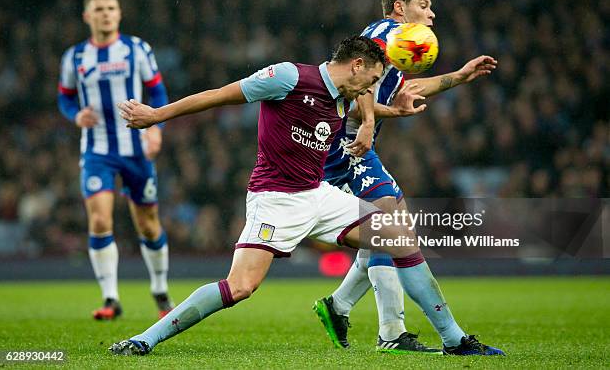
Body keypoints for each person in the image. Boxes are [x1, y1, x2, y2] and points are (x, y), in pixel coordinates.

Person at [109, 35, 502, 357]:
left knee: (398, 238)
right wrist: (157, 115)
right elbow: (220, 94)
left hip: (319, 195)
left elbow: (368, 105)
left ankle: (454, 341)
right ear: (357, 66)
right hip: (275, 200)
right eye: (372, 80)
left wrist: (389, 114)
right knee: (240, 287)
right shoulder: (287, 77)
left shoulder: (344, 96)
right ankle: (144, 339)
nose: (370, 89)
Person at [314, 0, 501, 355]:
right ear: (400, 8)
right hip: (342, 148)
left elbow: (404, 95)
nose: (431, 12)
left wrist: (459, 77)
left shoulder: (394, 48)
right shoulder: (386, 33)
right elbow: (355, 88)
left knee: (391, 232)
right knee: (392, 232)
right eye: (423, 4)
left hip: (356, 147)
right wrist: (368, 122)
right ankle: (432, 337)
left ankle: (341, 307)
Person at [58, 0, 174, 320]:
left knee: (149, 225)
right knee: (98, 220)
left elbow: (158, 91)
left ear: (119, 13)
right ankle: (111, 299)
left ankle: (161, 293)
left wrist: (156, 128)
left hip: (136, 148)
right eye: (99, 9)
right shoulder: (75, 57)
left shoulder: (137, 49)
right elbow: (65, 98)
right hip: (97, 150)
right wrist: (74, 115)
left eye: (111, 7)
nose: (106, 13)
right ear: (87, 16)